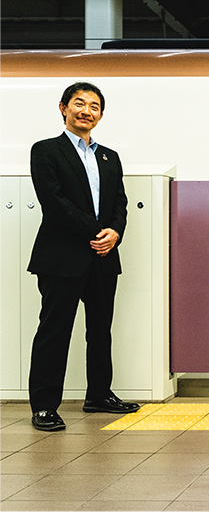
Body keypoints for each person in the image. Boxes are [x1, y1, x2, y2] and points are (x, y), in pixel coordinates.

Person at [28, 82, 139, 432]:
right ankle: (44, 406)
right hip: (61, 257)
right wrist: (97, 231)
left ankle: (99, 395)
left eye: (94, 106)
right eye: (79, 103)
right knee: (54, 331)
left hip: (103, 256)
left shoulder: (109, 157)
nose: (86, 111)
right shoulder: (46, 151)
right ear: (63, 108)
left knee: (100, 330)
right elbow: (54, 202)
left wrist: (115, 232)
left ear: (101, 115)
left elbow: (119, 201)